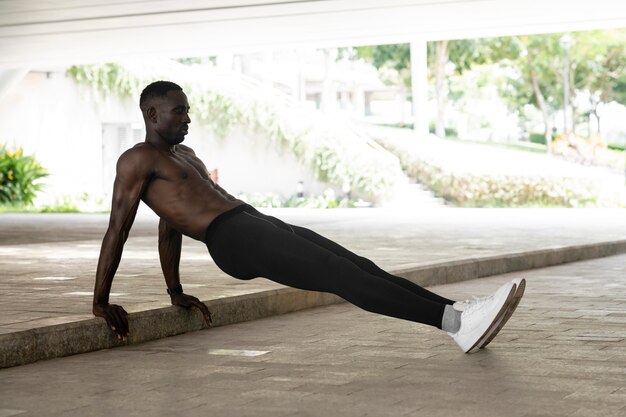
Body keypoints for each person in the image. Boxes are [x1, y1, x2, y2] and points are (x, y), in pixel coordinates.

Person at [93, 81, 525, 353]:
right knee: (340, 276)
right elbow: (119, 230)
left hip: (252, 221)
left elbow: (170, 228)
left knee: (357, 265)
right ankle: (454, 324)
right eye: (178, 111)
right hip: (233, 240)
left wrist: (175, 290)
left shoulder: (183, 154)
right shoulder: (136, 160)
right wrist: (100, 301)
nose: (188, 118)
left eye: (188, 109)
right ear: (152, 114)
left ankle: (458, 312)